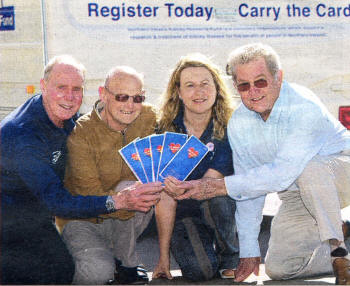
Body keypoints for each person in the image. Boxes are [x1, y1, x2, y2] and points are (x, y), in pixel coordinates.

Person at [170, 43, 350, 284]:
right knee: (280, 268)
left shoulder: (304, 107)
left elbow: (282, 174)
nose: (253, 91)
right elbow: (249, 189)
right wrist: (249, 250)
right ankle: (338, 230)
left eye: (261, 81)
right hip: (298, 192)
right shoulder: (239, 122)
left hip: (341, 170)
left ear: (279, 77)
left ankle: (339, 251)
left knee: (309, 169)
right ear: (236, 87)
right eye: (244, 85)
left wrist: (220, 186)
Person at [0, 55, 162, 284]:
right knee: (59, 273)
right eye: (61, 87)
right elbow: (56, 201)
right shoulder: (23, 134)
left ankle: (118, 260)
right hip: (12, 223)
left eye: (77, 89)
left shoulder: (63, 116)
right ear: (43, 86)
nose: (70, 96)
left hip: (38, 214)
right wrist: (118, 201)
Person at [54, 66, 161, 285]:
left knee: (136, 186)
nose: (130, 106)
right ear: (103, 94)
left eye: (137, 98)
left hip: (124, 216)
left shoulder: (148, 116)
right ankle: (103, 260)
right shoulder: (81, 133)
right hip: (84, 219)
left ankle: (126, 262)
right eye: (122, 97)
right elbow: (90, 194)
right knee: (98, 273)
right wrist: (128, 198)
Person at [153, 53, 239, 282]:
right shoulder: (165, 132)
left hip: (219, 207)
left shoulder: (232, 127)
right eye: (190, 85)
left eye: (205, 84)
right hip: (185, 213)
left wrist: (183, 186)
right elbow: (165, 198)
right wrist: (163, 258)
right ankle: (206, 253)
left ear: (217, 89)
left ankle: (230, 256)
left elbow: (208, 183)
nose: (198, 92)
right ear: (179, 92)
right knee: (201, 271)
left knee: (216, 197)